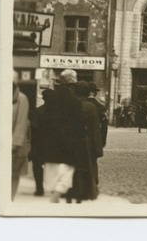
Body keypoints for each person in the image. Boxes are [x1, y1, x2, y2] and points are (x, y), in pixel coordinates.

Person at [39, 68, 86, 203]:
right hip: (68, 146)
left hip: (52, 144)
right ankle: (55, 199)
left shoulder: (51, 99)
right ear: (72, 85)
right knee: (65, 176)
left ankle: (54, 198)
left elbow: (45, 122)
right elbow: (80, 126)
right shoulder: (75, 101)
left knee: (52, 177)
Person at [68, 80, 102, 202]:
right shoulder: (90, 106)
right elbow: (95, 129)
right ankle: (87, 191)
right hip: (87, 142)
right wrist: (98, 148)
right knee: (89, 166)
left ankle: (74, 190)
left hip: (72, 141)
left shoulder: (70, 104)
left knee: (73, 167)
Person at [28, 88, 54, 196]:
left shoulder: (37, 111)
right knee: (55, 166)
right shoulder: (59, 112)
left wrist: (32, 147)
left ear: (43, 98)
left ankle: (39, 189)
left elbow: (33, 130)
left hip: (40, 144)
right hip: (54, 144)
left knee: (37, 165)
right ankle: (55, 188)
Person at [12, 71, 29, 199]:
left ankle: (10, 199)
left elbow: (21, 124)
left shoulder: (21, 99)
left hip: (14, 147)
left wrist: (13, 145)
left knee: (13, 174)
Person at [87, 82, 108, 147]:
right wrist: (102, 141)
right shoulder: (101, 107)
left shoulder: (79, 105)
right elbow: (104, 127)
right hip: (94, 138)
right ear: (95, 93)